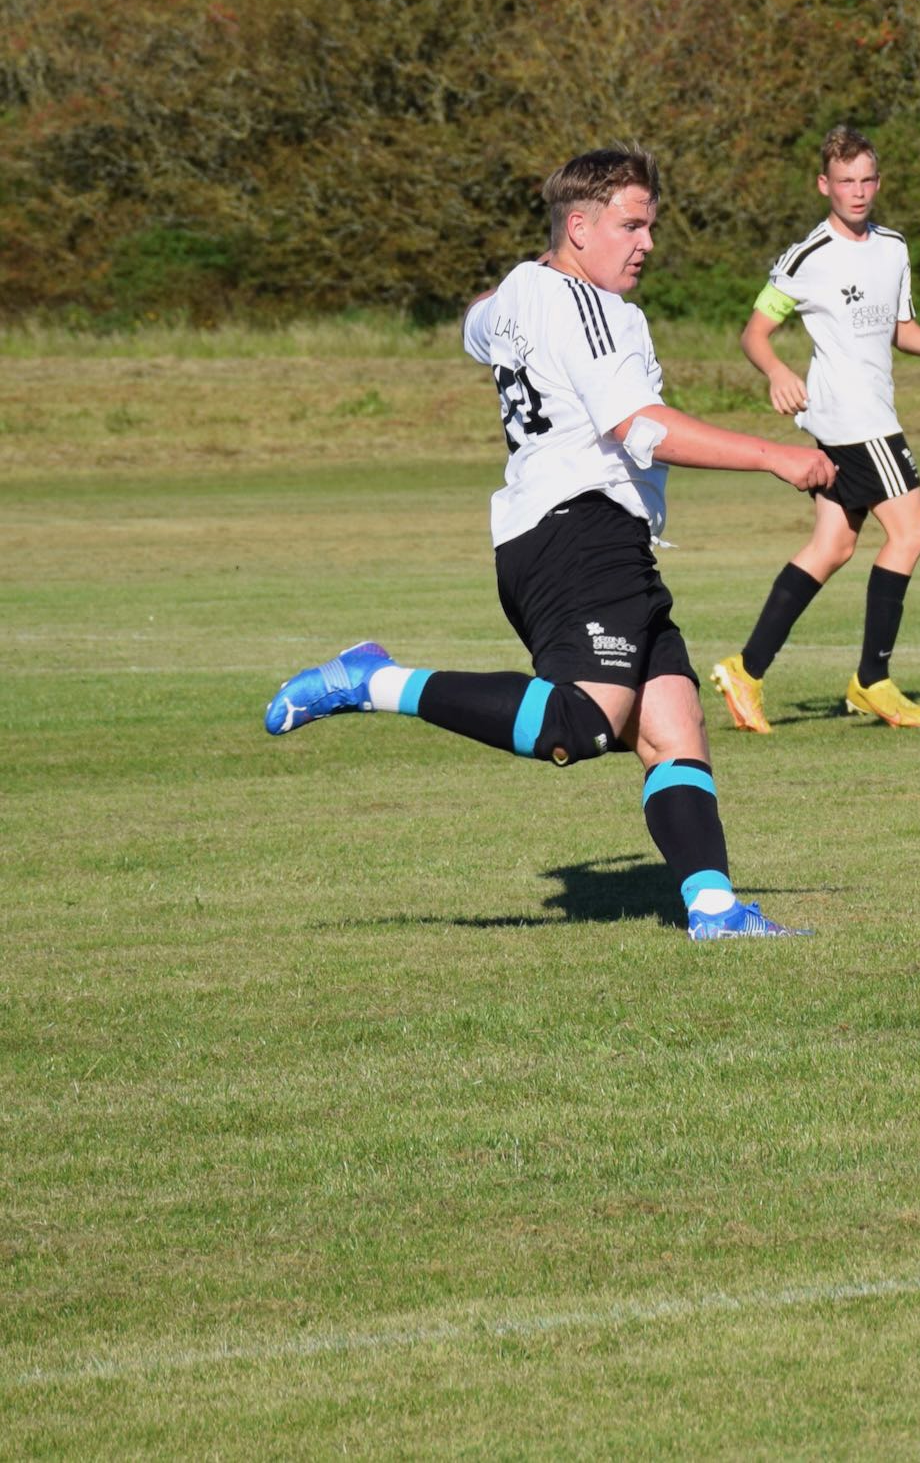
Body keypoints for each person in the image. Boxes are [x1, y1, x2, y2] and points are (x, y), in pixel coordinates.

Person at [262, 148, 836, 940]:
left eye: (651, 226)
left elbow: (477, 319)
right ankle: (375, 681)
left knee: (673, 726)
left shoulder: (520, 293)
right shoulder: (593, 308)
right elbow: (643, 427)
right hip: (583, 530)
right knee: (579, 724)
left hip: (553, 538)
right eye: (631, 225)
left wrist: (528, 277)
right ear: (579, 226)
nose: (648, 243)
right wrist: (776, 455)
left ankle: (714, 910)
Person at [709, 126, 920, 733]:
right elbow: (755, 333)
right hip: (856, 420)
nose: (857, 192)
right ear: (824, 185)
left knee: (832, 547)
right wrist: (776, 371)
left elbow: (898, 328)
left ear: (878, 183)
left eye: (866, 180)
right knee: (912, 532)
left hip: (866, 413)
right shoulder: (807, 258)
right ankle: (872, 680)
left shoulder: (894, 247)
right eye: (845, 181)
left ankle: (745, 672)